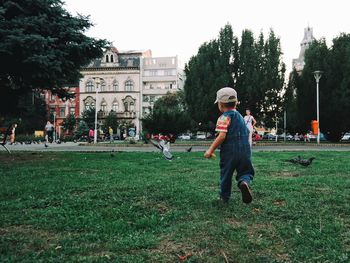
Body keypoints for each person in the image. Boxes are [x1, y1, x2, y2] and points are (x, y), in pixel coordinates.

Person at [204, 87, 254, 204]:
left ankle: (224, 197)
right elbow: (246, 132)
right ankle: (244, 182)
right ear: (236, 102)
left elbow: (222, 136)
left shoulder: (224, 117)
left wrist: (210, 150)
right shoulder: (241, 117)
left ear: (220, 105)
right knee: (245, 171)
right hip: (245, 150)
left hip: (229, 152)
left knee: (226, 174)